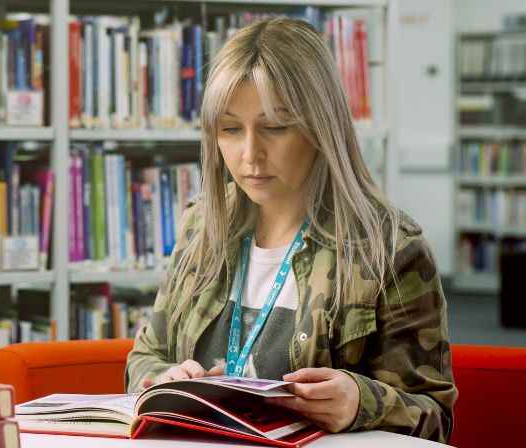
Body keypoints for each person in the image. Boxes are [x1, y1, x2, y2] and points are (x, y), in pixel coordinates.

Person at [125, 17, 457, 443]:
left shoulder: (391, 249)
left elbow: (435, 421)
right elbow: (146, 354)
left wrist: (361, 402)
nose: (250, 154)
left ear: (322, 127)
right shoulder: (202, 222)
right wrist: (161, 377)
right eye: (229, 129)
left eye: (276, 127)